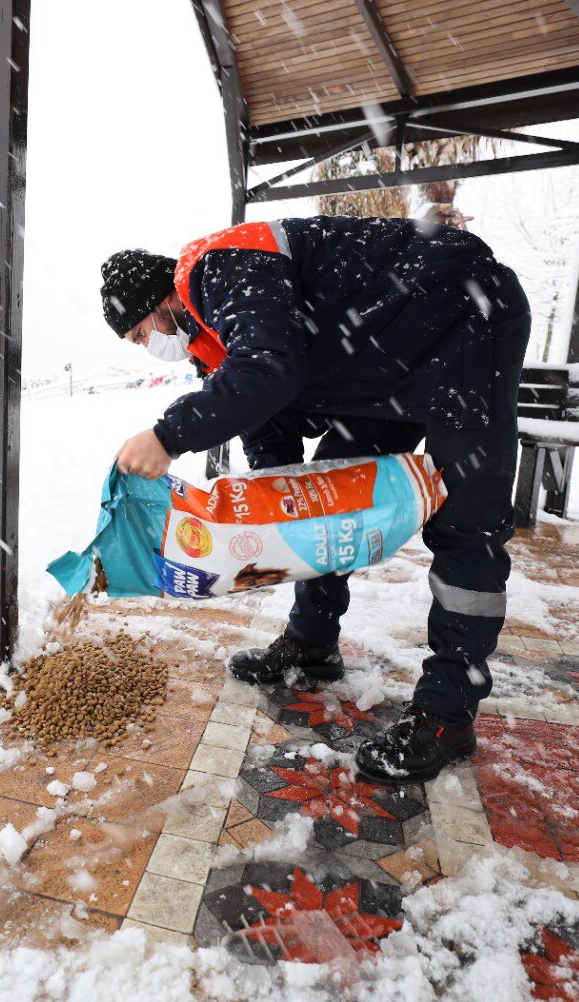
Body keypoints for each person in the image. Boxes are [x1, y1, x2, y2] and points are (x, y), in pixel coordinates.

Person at [100, 215, 530, 784]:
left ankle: (448, 714)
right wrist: (276, 504)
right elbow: (266, 420)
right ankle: (312, 643)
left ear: (161, 301)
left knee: (466, 527)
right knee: (327, 502)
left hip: (464, 319)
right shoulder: (212, 339)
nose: (149, 347)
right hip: (385, 361)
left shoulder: (222, 267)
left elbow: (269, 370)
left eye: (140, 333)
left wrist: (168, 436)